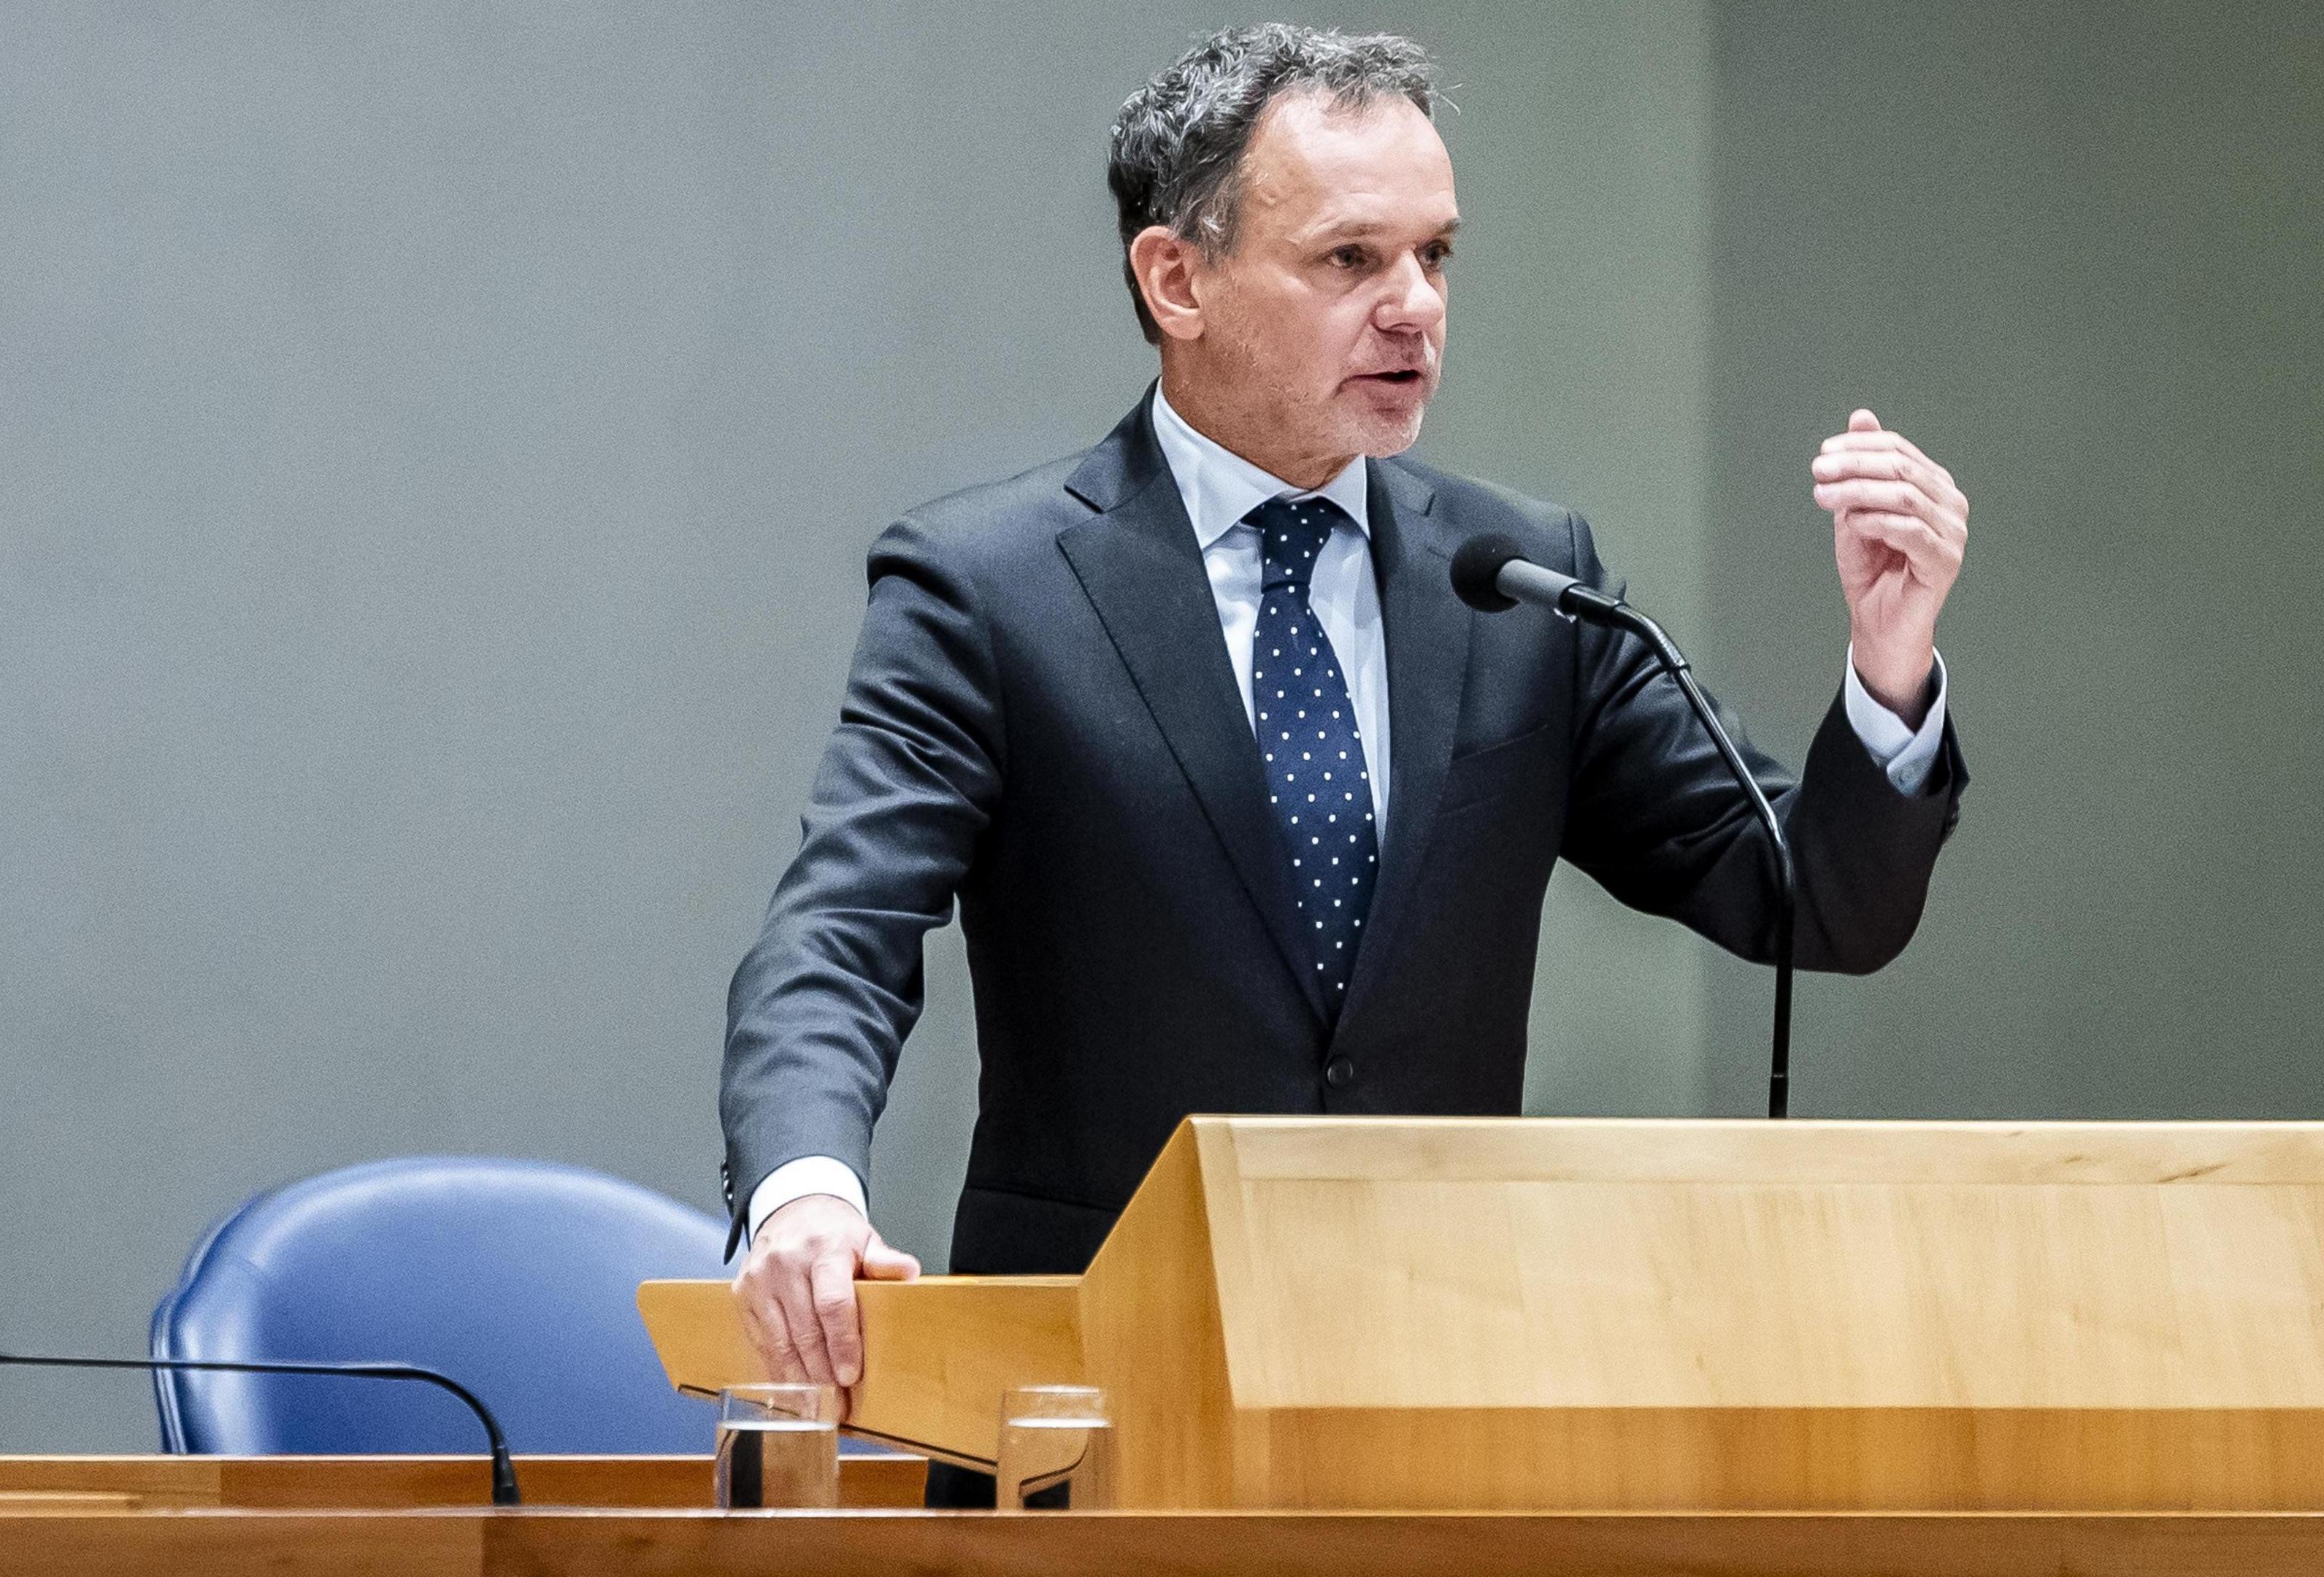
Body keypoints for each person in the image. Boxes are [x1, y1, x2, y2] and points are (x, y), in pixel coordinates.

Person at [717, 24, 1971, 1497]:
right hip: (1092, 1424)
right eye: (1351, 261)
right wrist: (805, 1190)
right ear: (1175, 280)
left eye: (1437, 257)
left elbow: (1806, 901)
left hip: (1439, 1412)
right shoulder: (990, 587)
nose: (1416, 310)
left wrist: (1891, 666)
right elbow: (837, 938)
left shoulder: (1520, 583)